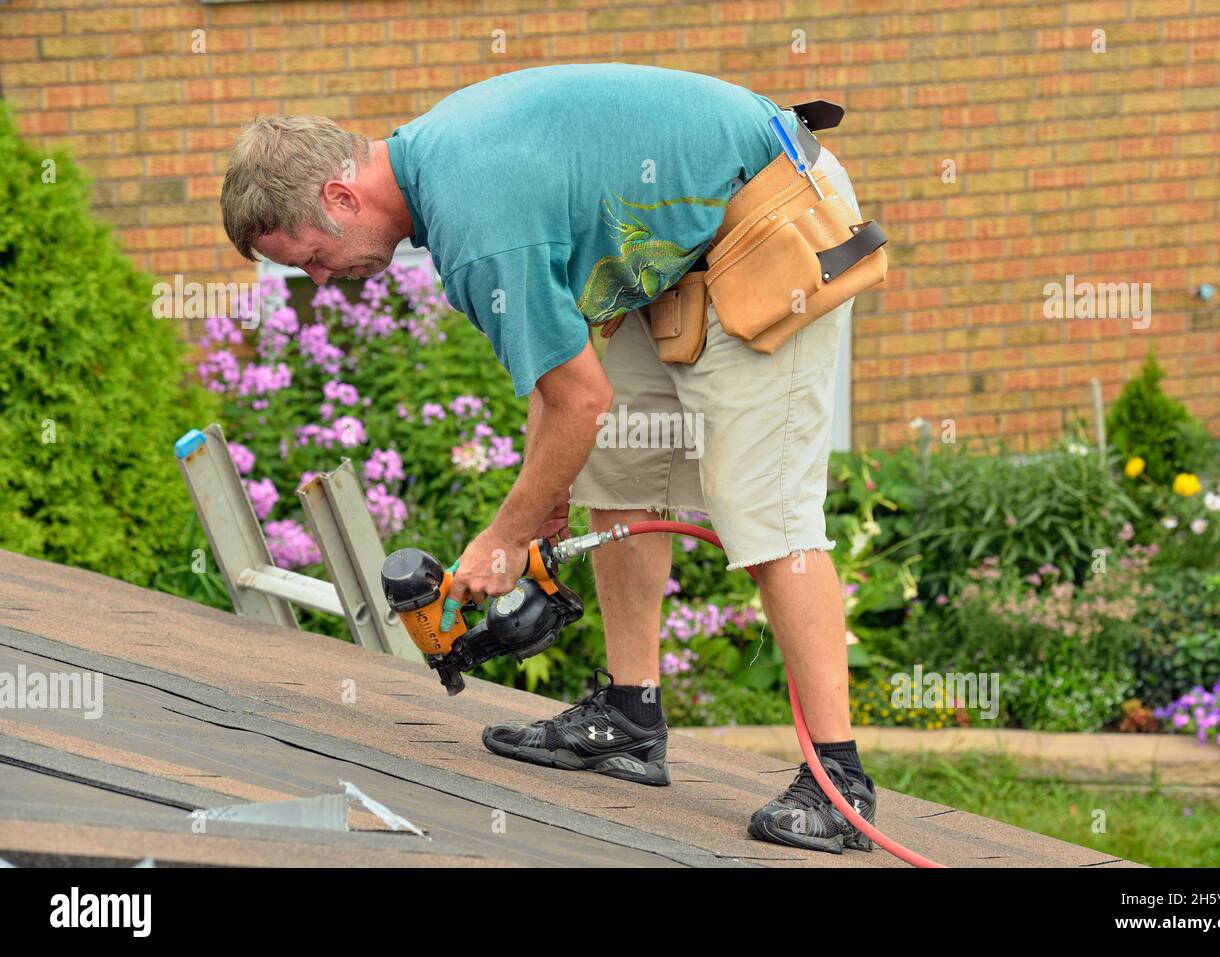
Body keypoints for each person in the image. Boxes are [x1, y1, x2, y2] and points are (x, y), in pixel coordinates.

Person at [220, 62, 875, 854]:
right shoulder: (437, 171)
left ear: (339, 197)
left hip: (766, 216)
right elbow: (564, 376)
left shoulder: (471, 221)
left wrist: (503, 539)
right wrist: (543, 500)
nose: (320, 281)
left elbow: (579, 401)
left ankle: (840, 784)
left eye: (311, 258)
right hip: (671, 255)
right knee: (618, 474)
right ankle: (633, 719)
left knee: (767, 514)